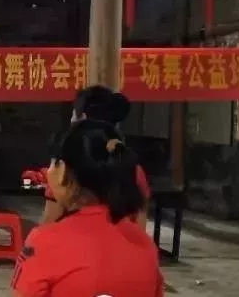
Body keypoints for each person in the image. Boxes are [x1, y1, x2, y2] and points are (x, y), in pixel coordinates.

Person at [11, 119, 163, 297]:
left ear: (64, 171)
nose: (50, 171)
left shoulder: (44, 242)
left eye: (54, 163)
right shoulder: (146, 245)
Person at [40, 85, 151, 226]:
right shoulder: (133, 168)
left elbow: (48, 225)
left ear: (82, 118)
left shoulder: (66, 169)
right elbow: (140, 228)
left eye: (73, 115)